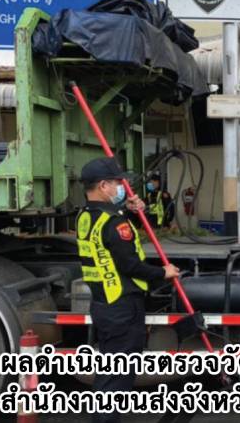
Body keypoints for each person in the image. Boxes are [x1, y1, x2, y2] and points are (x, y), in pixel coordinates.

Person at [76, 157, 180, 423]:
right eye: (116, 183)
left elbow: (106, 242)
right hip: (122, 307)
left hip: (104, 303)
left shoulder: (85, 217)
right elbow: (130, 265)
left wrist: (129, 210)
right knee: (117, 377)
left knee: (111, 372)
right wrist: (163, 273)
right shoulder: (114, 223)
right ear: (103, 186)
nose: (120, 187)